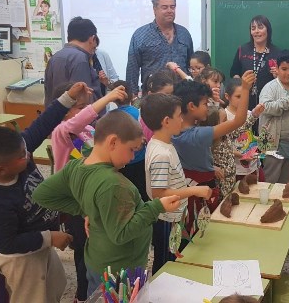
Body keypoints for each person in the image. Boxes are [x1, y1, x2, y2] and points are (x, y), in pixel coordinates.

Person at [32, 110, 182, 297]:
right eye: (131, 150)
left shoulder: (75, 166)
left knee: (96, 294)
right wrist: (157, 206)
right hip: (121, 269)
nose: (130, 159)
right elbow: (121, 233)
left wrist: (86, 209)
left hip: (98, 259)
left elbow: (41, 194)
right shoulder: (114, 184)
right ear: (113, 142)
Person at [0, 82, 89, 302]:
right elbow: (7, 244)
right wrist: (49, 237)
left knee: (54, 287)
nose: (28, 156)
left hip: (41, 245)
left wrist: (69, 97)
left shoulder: (17, 151)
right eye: (22, 156)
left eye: (26, 150)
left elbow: (43, 124)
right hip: (20, 259)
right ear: (1, 169)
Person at [49, 83, 126, 302]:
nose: (85, 111)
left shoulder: (91, 131)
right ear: (63, 109)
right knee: (83, 251)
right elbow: (79, 120)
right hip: (77, 205)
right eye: (79, 107)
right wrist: (108, 96)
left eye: (86, 106)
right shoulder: (60, 133)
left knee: (100, 248)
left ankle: (100, 290)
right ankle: (82, 295)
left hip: (97, 201)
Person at [171, 71, 255, 228]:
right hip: (201, 190)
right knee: (202, 229)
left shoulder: (174, 130)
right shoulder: (196, 135)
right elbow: (239, 120)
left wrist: (210, 166)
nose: (207, 108)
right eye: (205, 104)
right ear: (191, 106)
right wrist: (245, 89)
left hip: (189, 183)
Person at [141, 93, 212, 273]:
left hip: (173, 216)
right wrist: (194, 191)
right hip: (166, 219)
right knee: (166, 263)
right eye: (179, 115)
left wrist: (189, 184)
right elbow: (159, 193)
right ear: (166, 121)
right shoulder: (161, 154)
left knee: (172, 257)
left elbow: (171, 178)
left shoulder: (164, 144)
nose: (182, 120)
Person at [126, 0, 194, 97]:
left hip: (182, 97)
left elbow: (191, 66)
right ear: (154, 9)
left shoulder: (184, 33)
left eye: (172, 7)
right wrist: (133, 97)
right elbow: (132, 69)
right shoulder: (140, 35)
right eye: (165, 7)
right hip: (153, 98)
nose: (170, 10)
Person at [259, 50, 289, 183]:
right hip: (273, 142)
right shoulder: (270, 87)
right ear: (277, 68)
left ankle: (280, 204)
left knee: (286, 180)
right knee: (270, 180)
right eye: (284, 69)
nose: (288, 73)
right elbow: (265, 108)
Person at [44, 16, 101, 106]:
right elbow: (84, 100)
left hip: (56, 116)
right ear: (92, 39)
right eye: (95, 47)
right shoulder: (81, 59)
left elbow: (48, 93)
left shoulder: (55, 57)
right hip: (76, 118)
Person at [230, 15, 281, 110]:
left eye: (260, 27)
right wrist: (241, 82)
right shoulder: (243, 49)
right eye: (253, 28)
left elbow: (284, 81)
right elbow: (234, 73)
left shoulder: (277, 53)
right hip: (245, 101)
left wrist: (278, 76)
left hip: (268, 103)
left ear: (268, 30)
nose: (256, 31)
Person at [224, 78, 266, 182]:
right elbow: (223, 145)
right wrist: (242, 155)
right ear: (227, 96)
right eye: (238, 96)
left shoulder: (249, 113)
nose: (242, 100)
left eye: (244, 96)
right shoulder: (224, 115)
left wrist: (261, 141)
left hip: (253, 166)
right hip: (235, 170)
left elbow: (248, 136)